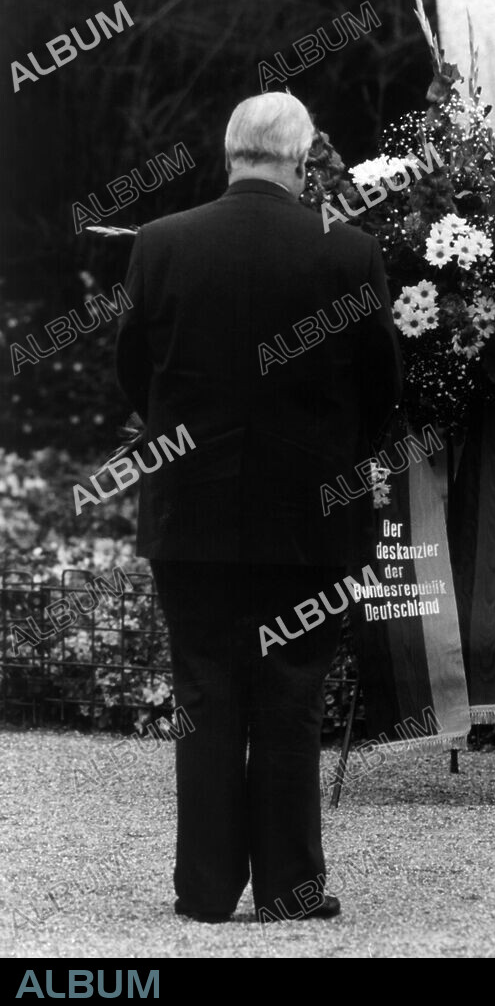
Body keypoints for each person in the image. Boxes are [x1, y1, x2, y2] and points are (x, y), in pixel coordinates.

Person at [115, 92, 402, 923]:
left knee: (203, 693)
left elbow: (136, 372)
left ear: (229, 150)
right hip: (308, 517)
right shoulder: (348, 251)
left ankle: (203, 889)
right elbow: (381, 390)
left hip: (189, 510)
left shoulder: (160, 245)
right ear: (304, 158)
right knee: (290, 696)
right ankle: (289, 887)